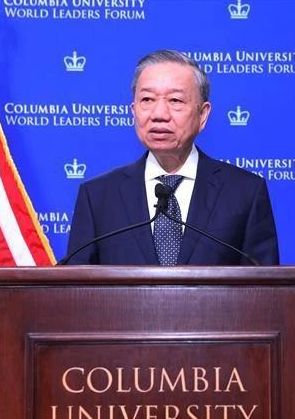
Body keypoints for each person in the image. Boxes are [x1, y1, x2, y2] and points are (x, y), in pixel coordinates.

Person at [66, 50, 279, 265]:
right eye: (147, 99)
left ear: (202, 115)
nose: (159, 114)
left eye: (175, 100)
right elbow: (75, 289)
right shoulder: (98, 197)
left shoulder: (245, 193)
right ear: (133, 111)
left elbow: (265, 290)